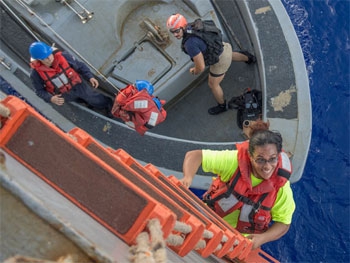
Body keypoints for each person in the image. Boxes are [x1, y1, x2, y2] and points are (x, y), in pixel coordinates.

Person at [180, 129, 295, 249]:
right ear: (250, 156)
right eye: (260, 159)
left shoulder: (281, 188)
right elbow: (195, 155)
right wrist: (187, 178)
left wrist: (262, 238)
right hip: (206, 219)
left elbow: (284, 222)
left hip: (238, 243)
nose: (267, 166)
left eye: (272, 159)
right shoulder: (234, 162)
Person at [166, 14, 256, 115]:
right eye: (172, 32)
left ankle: (222, 105)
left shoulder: (190, 44)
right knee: (229, 55)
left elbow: (200, 67)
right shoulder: (195, 26)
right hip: (223, 47)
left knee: (213, 84)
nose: (175, 34)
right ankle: (250, 58)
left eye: (176, 31)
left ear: (183, 27)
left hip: (220, 61)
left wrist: (194, 71)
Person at [29, 42, 113, 115]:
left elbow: (80, 66)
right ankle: (90, 105)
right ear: (38, 60)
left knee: (93, 98)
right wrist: (50, 98)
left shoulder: (64, 56)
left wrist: (89, 77)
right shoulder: (35, 73)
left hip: (79, 85)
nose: (49, 59)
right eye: (44, 58)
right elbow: (39, 90)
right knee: (81, 101)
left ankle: (109, 107)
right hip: (64, 94)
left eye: (49, 54)